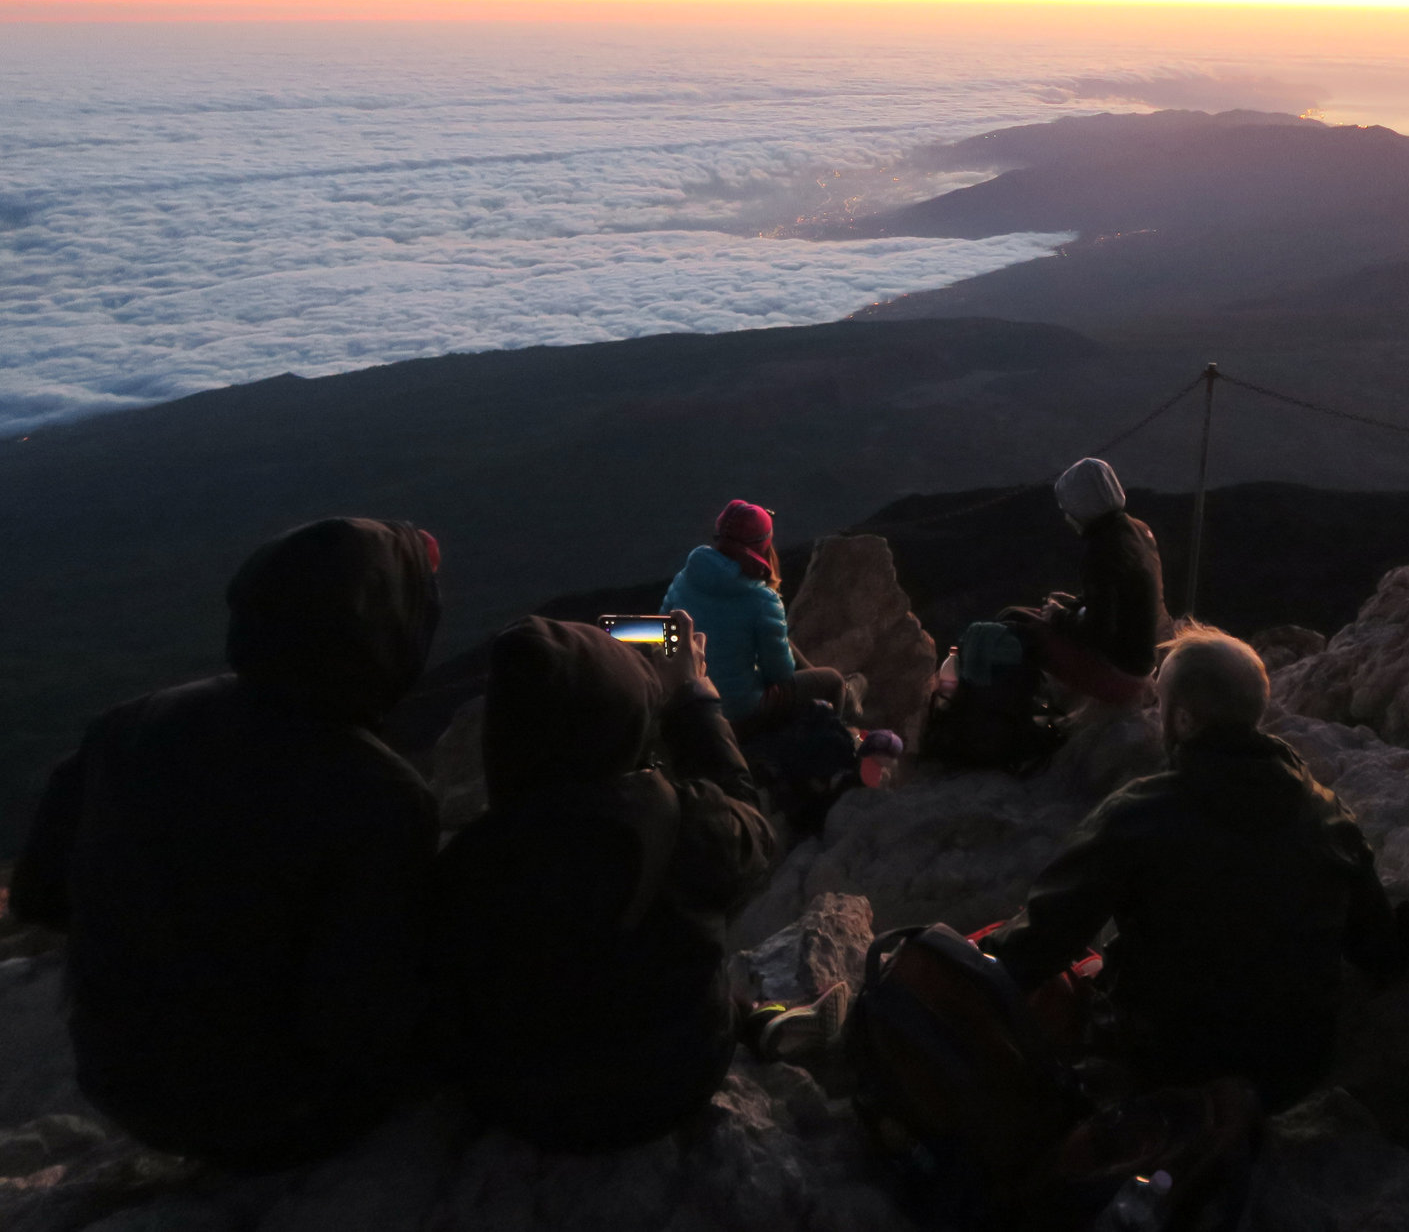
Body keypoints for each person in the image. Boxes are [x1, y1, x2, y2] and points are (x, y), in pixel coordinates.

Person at [9, 517, 443, 1170]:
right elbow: (358, 1021)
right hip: (277, 1114)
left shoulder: (128, 725)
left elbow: (39, 896)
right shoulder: (383, 795)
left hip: (115, 1084)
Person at [984, 628, 1409, 1114]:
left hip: (1167, 1062)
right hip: (1294, 1070)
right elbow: (1378, 950)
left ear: (1184, 718)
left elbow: (1040, 943)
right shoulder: (1327, 813)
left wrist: (978, 960)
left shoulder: (1140, 813)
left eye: (1163, 706)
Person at [434, 613, 777, 1153]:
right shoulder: (683, 823)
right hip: (675, 1081)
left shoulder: (468, 861)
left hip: (521, 1106)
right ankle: (754, 1019)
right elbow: (755, 833)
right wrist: (693, 703)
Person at [664, 500, 852, 733]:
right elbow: (779, 674)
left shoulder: (684, 579)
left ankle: (844, 694)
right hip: (740, 712)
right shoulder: (762, 599)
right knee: (832, 681)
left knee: (783, 641)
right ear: (763, 545)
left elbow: (666, 638)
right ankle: (836, 735)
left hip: (692, 703)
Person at [1009, 459, 1169, 707]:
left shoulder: (1102, 549)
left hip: (1126, 669)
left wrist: (1058, 616)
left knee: (1013, 621)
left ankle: (1019, 708)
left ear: (1081, 505)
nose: (1066, 516)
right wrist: (1072, 606)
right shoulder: (1139, 529)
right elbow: (1121, 599)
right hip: (1149, 653)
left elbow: (1098, 633)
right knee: (1048, 606)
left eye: (1067, 508)